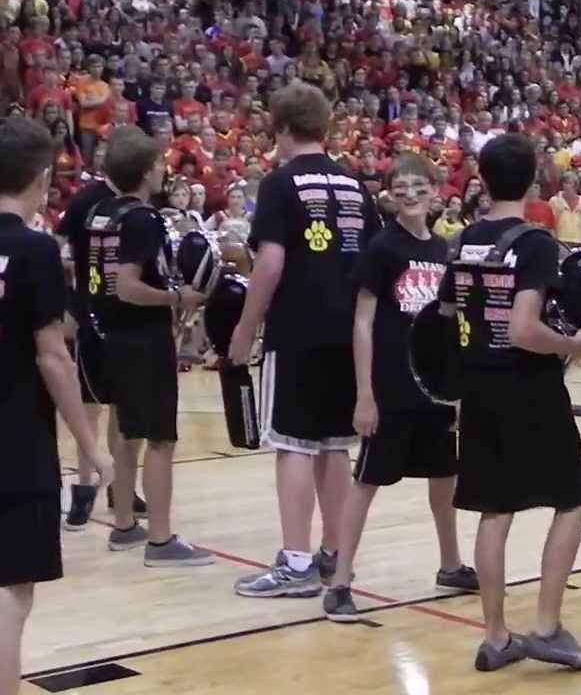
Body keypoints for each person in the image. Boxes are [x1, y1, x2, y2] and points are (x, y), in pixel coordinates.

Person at [0, 117, 112, 695]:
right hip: (16, 434)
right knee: (11, 591)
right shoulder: (32, 249)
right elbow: (52, 357)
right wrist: (91, 446)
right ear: (41, 177)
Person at [436, 134, 581, 672]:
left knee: (495, 509)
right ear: (534, 181)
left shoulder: (462, 241)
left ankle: (495, 636)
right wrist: (576, 345)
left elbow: (444, 314)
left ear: (481, 180)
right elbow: (525, 329)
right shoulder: (534, 242)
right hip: (527, 385)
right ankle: (548, 626)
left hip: (477, 385)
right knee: (573, 499)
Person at [229, 82, 381, 598]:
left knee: (291, 443)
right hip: (349, 331)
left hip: (297, 328)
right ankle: (334, 555)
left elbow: (269, 262)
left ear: (282, 129)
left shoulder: (279, 184)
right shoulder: (356, 186)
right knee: (334, 447)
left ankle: (295, 563)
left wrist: (244, 328)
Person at [323, 154, 479, 623]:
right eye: (401, 186)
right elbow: (363, 323)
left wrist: (458, 388)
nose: (410, 193)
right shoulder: (381, 249)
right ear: (388, 196)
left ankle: (450, 564)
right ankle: (340, 580)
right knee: (367, 481)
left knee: (444, 478)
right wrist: (364, 393)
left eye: (419, 185)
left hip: (435, 389)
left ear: (436, 191)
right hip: (391, 387)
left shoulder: (445, 251)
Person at [91, 126, 212, 566]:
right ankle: (160, 541)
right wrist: (178, 298)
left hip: (110, 334)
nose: (163, 171)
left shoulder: (102, 213)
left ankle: (124, 526)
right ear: (146, 172)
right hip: (141, 337)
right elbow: (127, 286)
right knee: (160, 438)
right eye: (159, 165)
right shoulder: (143, 219)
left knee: (127, 431)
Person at [54, 159, 140, 531]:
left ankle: (121, 489)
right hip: (90, 313)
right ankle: (84, 489)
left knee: (123, 411)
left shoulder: (140, 205)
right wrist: (67, 304)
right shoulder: (85, 201)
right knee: (89, 409)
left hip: (125, 317)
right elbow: (55, 251)